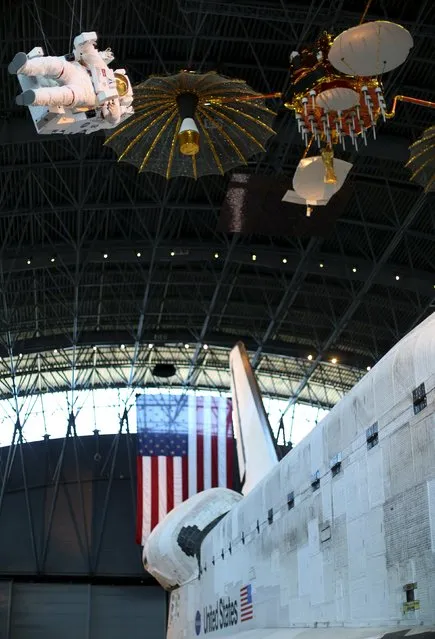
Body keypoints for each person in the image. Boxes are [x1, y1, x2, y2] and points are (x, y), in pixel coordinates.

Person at [8, 32, 130, 126]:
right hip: (79, 74)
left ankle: (35, 97)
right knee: (56, 65)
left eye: (120, 87)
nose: (116, 84)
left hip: (85, 94)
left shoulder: (113, 100)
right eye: (119, 81)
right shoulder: (103, 69)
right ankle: (25, 66)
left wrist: (113, 113)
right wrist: (85, 40)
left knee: (64, 95)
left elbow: (114, 120)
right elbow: (89, 51)